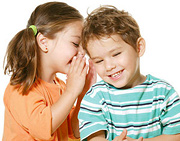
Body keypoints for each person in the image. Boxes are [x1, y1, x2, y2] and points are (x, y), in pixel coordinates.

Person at [78, 5, 180, 141]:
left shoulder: (163, 92)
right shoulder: (95, 97)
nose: (109, 66)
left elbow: (176, 135)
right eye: (99, 61)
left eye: (116, 54)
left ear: (139, 47)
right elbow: (93, 138)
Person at [3, 2, 96, 141]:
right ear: (44, 42)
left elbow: (75, 131)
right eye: (76, 44)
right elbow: (42, 128)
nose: (82, 53)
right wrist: (72, 92)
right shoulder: (21, 88)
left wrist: (82, 94)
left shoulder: (62, 87)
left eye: (84, 48)